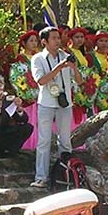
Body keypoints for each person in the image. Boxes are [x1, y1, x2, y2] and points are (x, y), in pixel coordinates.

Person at [29, 26, 77, 188]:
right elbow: (41, 81)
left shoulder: (66, 56)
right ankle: (41, 177)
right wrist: (59, 68)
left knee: (65, 141)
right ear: (44, 41)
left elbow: (80, 80)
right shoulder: (38, 58)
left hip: (65, 103)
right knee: (44, 141)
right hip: (47, 103)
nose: (58, 41)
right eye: (54, 38)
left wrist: (74, 67)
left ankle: (67, 176)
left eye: (59, 37)